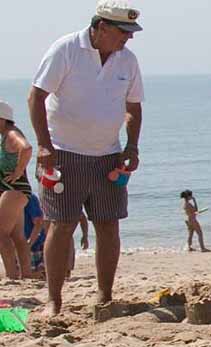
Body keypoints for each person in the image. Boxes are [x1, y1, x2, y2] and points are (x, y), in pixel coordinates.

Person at [29, 0, 144, 315]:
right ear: (101, 27)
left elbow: (133, 107)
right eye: (124, 31)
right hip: (64, 153)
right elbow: (36, 96)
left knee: (108, 225)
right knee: (62, 225)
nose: (129, 38)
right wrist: (43, 145)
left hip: (108, 154)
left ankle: (104, 296)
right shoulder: (66, 49)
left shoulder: (127, 60)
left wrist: (131, 147)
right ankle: (54, 300)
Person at [0, 101, 35, 280]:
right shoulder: (5, 136)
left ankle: (12, 276)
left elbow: (27, 148)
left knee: (1, 233)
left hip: (14, 189)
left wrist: (18, 171)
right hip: (17, 190)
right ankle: (26, 274)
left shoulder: (12, 134)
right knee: (17, 235)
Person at [23, 193, 47, 278]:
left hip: (35, 245)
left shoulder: (30, 198)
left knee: (36, 274)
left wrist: (29, 243)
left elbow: (39, 223)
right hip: (21, 247)